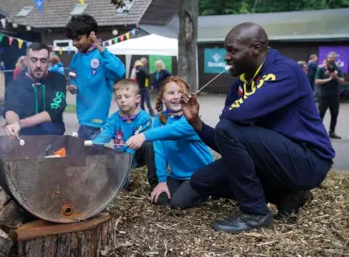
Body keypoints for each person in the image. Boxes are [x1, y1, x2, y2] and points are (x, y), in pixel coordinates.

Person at [125, 22, 334, 234]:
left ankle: (255, 213)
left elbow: (234, 119)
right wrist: (196, 122)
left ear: (256, 49)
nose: (226, 57)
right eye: (226, 51)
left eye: (232, 50)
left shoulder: (284, 71)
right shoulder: (240, 85)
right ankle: (286, 197)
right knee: (202, 179)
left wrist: (229, 119)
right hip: (274, 159)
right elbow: (227, 141)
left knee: (228, 126)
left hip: (308, 161)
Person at [149, 76, 214, 208]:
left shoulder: (190, 121)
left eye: (180, 93)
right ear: (163, 98)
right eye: (171, 93)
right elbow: (159, 151)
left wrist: (143, 136)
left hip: (199, 174)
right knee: (160, 199)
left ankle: (211, 190)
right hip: (177, 175)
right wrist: (162, 181)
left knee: (177, 203)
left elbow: (173, 130)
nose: (176, 96)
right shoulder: (158, 120)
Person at [65, 14, 125, 140]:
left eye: (78, 39)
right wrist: (73, 83)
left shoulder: (102, 56)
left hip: (97, 118)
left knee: (88, 152)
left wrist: (100, 48)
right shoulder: (77, 57)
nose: (75, 43)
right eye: (73, 40)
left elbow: (120, 71)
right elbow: (73, 73)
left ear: (91, 35)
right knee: (87, 153)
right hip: (82, 116)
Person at [92, 79, 157, 189]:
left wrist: (124, 162)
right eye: (119, 97)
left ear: (137, 99)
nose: (122, 100)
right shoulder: (113, 119)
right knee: (119, 186)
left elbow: (136, 143)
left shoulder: (144, 119)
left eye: (127, 96)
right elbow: (105, 134)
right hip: (120, 155)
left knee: (149, 146)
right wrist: (96, 144)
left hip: (138, 155)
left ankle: (155, 183)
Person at [3, 42, 67, 136]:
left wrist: (19, 124)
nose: (38, 65)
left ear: (48, 62)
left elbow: (54, 111)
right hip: (25, 142)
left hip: (54, 141)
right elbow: (11, 109)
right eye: (34, 60)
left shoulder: (58, 79)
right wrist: (13, 123)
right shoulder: (15, 84)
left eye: (43, 60)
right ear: (26, 60)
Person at [315, 52, 345, 139]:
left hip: (335, 96)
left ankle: (332, 132)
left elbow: (342, 80)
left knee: (334, 114)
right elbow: (317, 81)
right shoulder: (321, 69)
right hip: (324, 96)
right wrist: (329, 79)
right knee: (321, 115)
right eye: (330, 58)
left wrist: (336, 77)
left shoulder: (338, 69)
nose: (332, 59)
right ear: (327, 58)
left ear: (335, 59)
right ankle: (317, 132)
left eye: (333, 58)